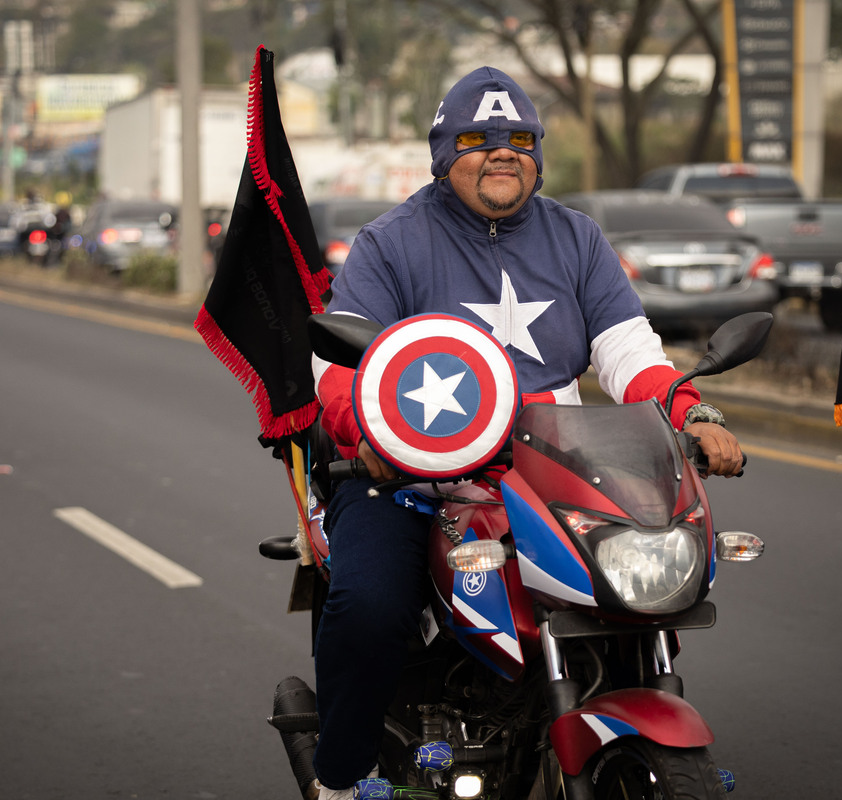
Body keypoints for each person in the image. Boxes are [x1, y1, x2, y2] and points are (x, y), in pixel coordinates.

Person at [308, 66, 744, 798]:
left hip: (552, 467)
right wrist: (373, 441)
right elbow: (337, 372)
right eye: (478, 141)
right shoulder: (390, 244)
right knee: (371, 607)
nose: (501, 153)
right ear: (445, 155)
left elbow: (630, 353)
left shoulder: (577, 238)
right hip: (412, 475)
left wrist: (691, 414)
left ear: (538, 156)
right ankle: (341, 780)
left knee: (633, 586)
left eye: (520, 140)